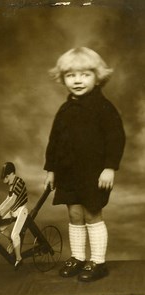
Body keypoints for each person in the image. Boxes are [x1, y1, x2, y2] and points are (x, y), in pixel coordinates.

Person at [44, 47, 125, 281]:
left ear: (97, 77)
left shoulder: (104, 108)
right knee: (74, 215)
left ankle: (97, 262)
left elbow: (116, 139)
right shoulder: (65, 109)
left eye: (85, 74)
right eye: (71, 75)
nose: (77, 80)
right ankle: (78, 257)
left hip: (94, 173)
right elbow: (54, 142)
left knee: (91, 214)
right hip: (68, 173)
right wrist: (51, 170)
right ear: (63, 79)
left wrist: (110, 167)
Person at [0, 162, 28, 270]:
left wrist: (2, 211)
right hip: (14, 211)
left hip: (22, 210)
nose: (5, 179)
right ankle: (13, 242)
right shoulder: (11, 185)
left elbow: (13, 200)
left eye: (7, 176)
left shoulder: (19, 182)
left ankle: (19, 259)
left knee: (14, 235)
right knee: (0, 227)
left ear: (12, 173)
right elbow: (8, 199)